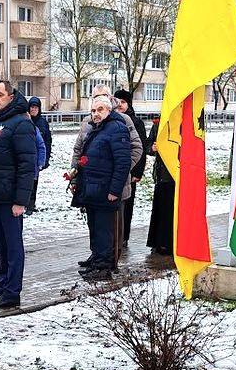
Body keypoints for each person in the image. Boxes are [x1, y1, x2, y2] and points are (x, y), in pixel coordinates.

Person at [0, 80, 36, 309]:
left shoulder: (21, 123)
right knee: (1, 245)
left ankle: (13, 292)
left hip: (11, 199)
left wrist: (20, 201)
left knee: (13, 247)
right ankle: (4, 285)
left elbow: (26, 165)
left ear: (11, 97)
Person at [71, 87, 142, 270]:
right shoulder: (89, 122)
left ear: (109, 103)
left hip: (112, 184)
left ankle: (110, 261)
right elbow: (80, 150)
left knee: (111, 227)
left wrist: (119, 172)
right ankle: (97, 256)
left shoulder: (121, 121)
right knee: (95, 225)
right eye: (94, 100)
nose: (96, 109)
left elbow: (133, 150)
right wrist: (75, 175)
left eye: (101, 101)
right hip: (92, 183)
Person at [114, 90, 148, 243]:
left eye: (123, 102)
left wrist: (137, 172)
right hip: (113, 170)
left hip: (129, 171)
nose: (120, 105)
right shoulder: (111, 119)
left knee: (127, 205)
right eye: (118, 101)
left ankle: (123, 237)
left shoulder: (136, 122)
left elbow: (140, 148)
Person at [145, 117, 174, 256]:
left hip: (177, 174)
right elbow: (148, 145)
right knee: (161, 209)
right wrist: (152, 148)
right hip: (162, 174)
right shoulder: (158, 124)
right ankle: (159, 242)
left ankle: (171, 242)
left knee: (172, 210)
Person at [27, 96, 52, 213]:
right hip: (27, 157)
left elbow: (47, 141)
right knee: (27, 182)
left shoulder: (42, 122)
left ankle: (31, 205)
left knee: (34, 182)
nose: (33, 110)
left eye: (35, 107)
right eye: (31, 107)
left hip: (38, 157)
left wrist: (45, 159)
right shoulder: (25, 121)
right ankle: (27, 204)